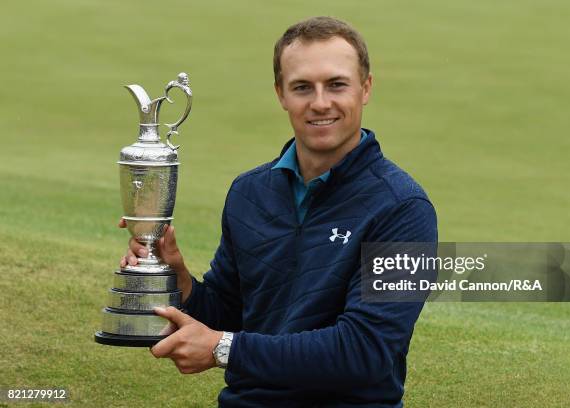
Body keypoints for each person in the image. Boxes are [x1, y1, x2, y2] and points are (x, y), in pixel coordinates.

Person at [120, 16, 437, 407]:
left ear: (365, 88)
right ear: (281, 94)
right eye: (302, 87)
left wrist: (224, 349)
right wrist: (179, 278)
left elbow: (365, 351)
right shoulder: (249, 192)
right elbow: (230, 314)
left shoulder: (404, 208)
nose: (320, 103)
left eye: (336, 84)